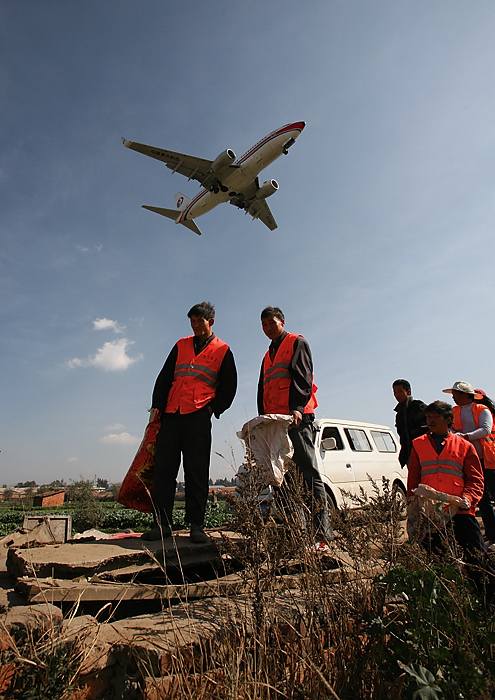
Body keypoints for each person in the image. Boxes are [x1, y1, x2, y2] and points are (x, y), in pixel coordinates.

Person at [142, 301, 237, 543]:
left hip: (198, 416)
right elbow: (164, 378)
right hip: (172, 414)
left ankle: (196, 526)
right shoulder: (180, 345)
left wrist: (213, 409)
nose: (195, 326)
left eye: (199, 321)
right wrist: (157, 406)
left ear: (211, 322)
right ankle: (162, 524)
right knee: (164, 470)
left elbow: (229, 386)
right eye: (192, 322)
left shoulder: (223, 350)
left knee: (196, 472)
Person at [257, 306, 333, 550]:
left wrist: (298, 407)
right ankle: (296, 534)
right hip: (275, 423)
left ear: (282, 321)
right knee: (282, 479)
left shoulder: (296, 342)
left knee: (308, 475)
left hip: (296, 419)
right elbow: (263, 389)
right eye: (264, 324)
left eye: (272, 322)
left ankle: (322, 535)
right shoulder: (267, 356)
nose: (268, 328)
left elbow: (303, 377)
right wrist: (262, 420)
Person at [407, 401, 486, 562]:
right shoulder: (418, 444)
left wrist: (468, 498)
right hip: (431, 514)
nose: (430, 421)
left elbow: (475, 479)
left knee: (476, 558)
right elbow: (413, 477)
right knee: (437, 561)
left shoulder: (464, 446)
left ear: (448, 419)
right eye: (428, 417)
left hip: (460, 511)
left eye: (435, 417)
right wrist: (413, 503)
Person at [443, 381, 495, 544]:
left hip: (487, 459)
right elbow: (450, 429)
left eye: (455, 394)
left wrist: (466, 436)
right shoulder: (454, 411)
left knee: (489, 495)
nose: (453, 397)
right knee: (482, 499)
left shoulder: (482, 409)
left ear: (465, 395)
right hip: (467, 460)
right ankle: (492, 534)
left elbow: (486, 429)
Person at [392, 379, 427, 467]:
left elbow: (427, 429)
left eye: (400, 391)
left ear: (408, 392)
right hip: (409, 454)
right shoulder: (399, 414)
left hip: (423, 452)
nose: (397, 395)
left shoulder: (418, 407)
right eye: (395, 392)